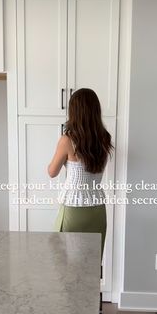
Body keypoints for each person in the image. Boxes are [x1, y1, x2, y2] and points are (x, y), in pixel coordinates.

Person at [47, 88, 114, 260]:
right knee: (90, 265)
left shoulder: (67, 140)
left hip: (74, 210)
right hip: (97, 209)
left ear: (74, 112)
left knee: (66, 263)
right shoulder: (105, 138)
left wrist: (66, 162)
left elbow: (52, 172)